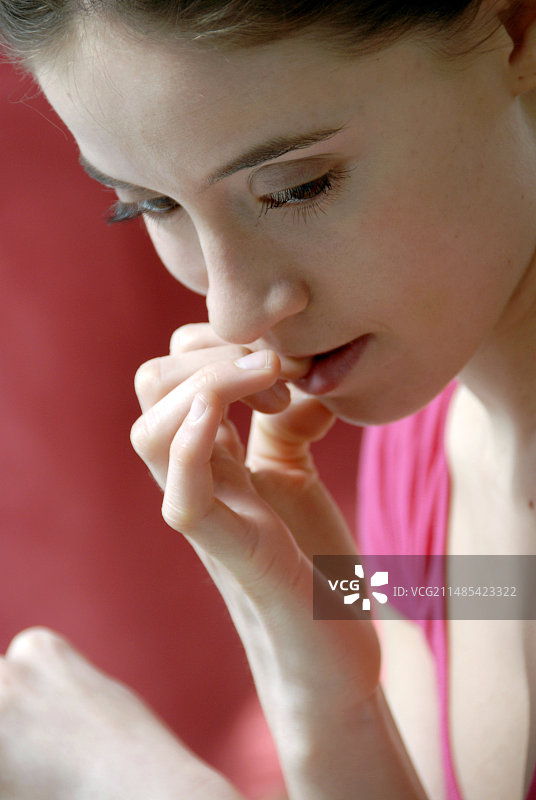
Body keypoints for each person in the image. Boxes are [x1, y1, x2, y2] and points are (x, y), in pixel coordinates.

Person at [0, 1, 535, 798]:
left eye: (296, 187)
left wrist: (141, 785)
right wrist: (310, 625)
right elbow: (498, 590)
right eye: (152, 204)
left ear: (515, 28)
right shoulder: (435, 431)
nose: (231, 312)